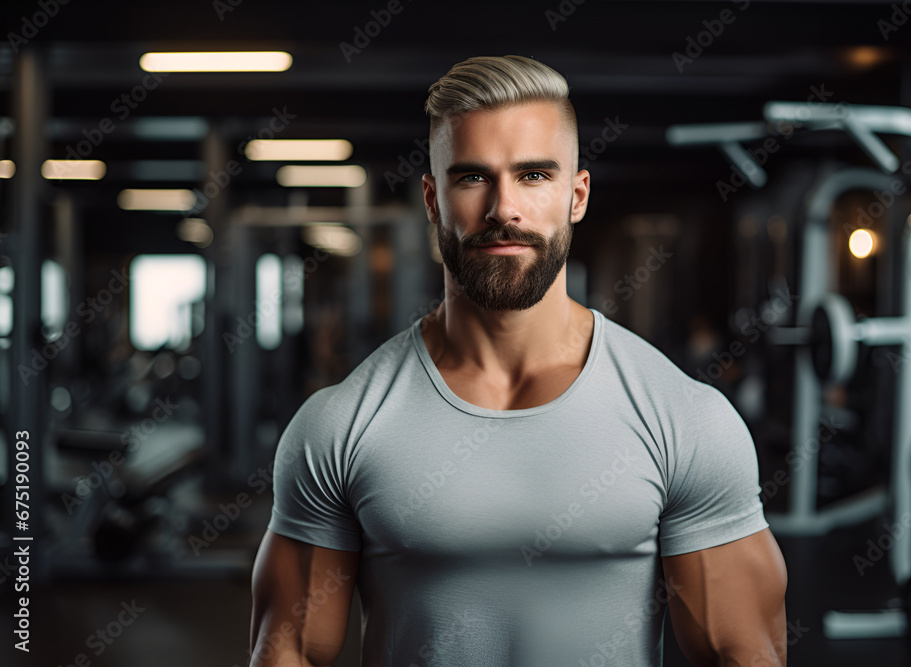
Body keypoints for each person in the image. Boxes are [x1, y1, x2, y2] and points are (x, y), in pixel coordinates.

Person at [250, 54, 787, 666]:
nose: (504, 207)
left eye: (534, 176)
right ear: (432, 199)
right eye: (473, 177)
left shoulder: (684, 419)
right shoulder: (340, 425)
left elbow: (744, 653)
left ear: (577, 195)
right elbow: (288, 651)